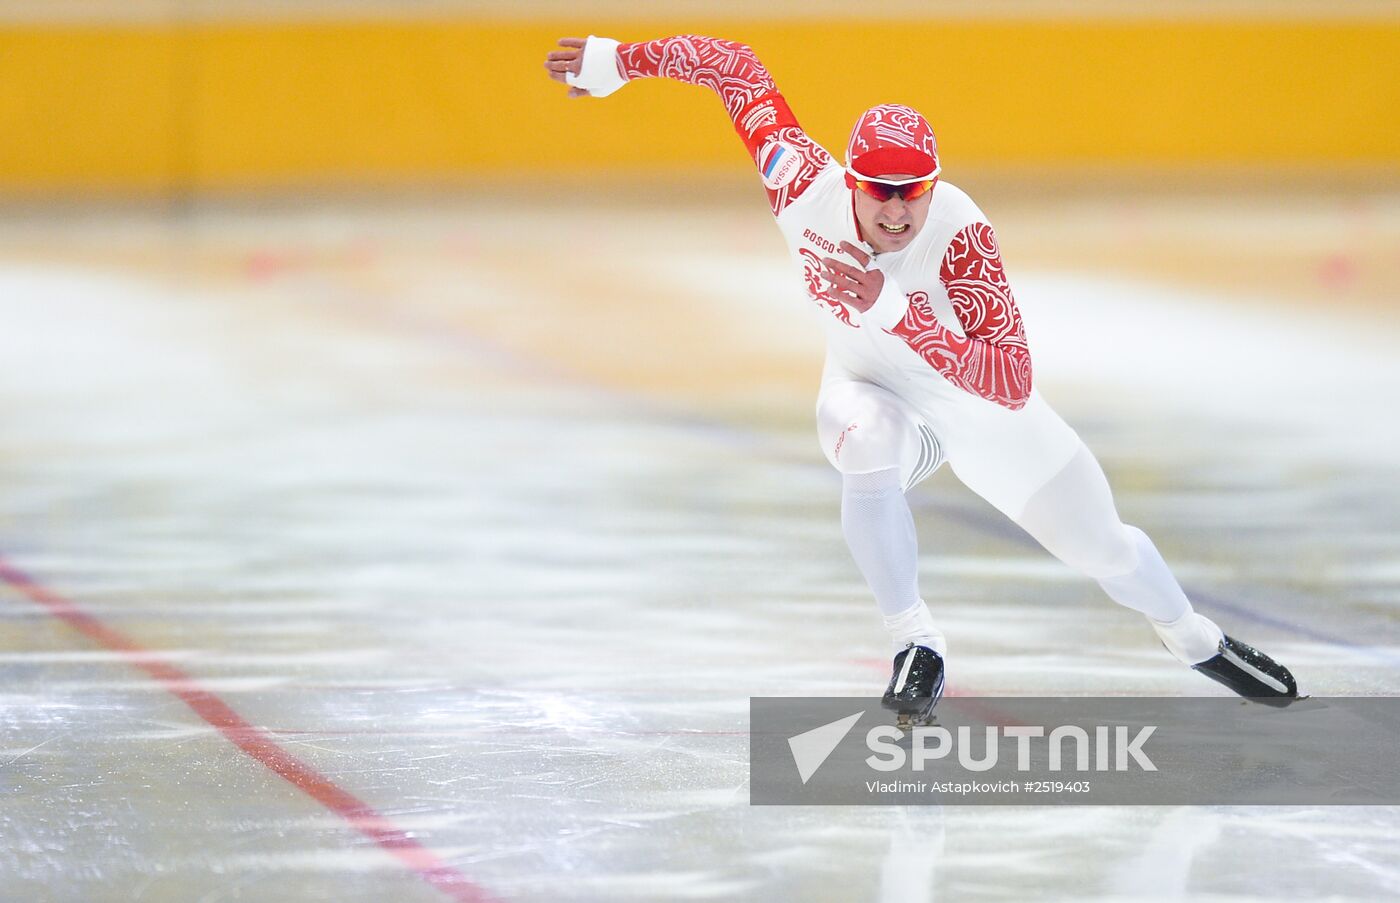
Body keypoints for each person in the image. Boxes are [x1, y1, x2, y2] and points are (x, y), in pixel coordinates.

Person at [543, 34, 1298, 722]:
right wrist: (616, 63)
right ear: (851, 183)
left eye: (915, 188)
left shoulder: (960, 234)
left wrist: (898, 309)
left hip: (979, 414)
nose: (898, 209)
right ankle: (916, 642)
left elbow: (1008, 378)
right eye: (880, 189)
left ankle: (1195, 638)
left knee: (1109, 551)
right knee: (868, 440)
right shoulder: (802, 185)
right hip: (868, 389)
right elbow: (732, 68)